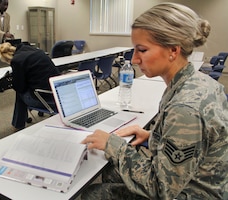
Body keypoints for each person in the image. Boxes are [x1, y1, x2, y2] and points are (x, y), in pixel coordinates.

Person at [81, 3, 228, 200]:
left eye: (142, 50)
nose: (134, 60)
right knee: (112, 171)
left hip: (195, 193)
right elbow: (198, 141)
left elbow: (161, 189)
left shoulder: (185, 109)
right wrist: (153, 136)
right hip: (199, 175)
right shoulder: (196, 82)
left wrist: (113, 145)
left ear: (173, 51)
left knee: (95, 194)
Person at [0, 42, 60, 129]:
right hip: (59, 95)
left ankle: (18, 124)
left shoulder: (17, 60)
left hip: (46, 99)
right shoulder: (36, 51)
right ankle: (19, 122)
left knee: (19, 92)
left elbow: (20, 87)